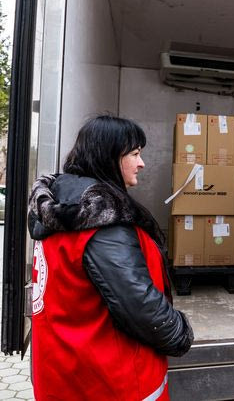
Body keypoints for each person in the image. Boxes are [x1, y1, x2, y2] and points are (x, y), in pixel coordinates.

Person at [28, 115, 193, 400]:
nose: (141, 163)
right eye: (135, 154)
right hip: (111, 381)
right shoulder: (105, 224)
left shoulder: (61, 203)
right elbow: (139, 306)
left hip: (63, 370)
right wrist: (180, 333)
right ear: (109, 157)